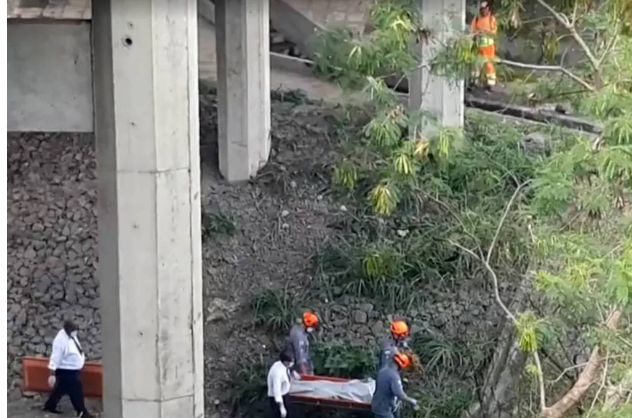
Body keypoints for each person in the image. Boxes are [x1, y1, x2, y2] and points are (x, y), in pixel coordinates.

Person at [43, 320, 93, 417]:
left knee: (61, 388)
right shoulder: (60, 340)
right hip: (66, 370)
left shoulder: (71, 336)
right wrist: (52, 374)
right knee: (76, 389)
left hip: (72, 369)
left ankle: (50, 405)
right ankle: (82, 411)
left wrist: (80, 363)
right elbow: (55, 357)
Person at [372, 353, 418, 418]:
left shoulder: (383, 370)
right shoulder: (394, 376)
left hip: (376, 403)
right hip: (384, 407)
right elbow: (400, 394)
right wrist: (411, 401)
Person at [470, 1, 498, 90]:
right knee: (476, 64)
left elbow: (494, 33)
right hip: (478, 46)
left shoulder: (491, 19)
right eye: (481, 9)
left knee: (489, 64)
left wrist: (486, 32)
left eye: (484, 9)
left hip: (489, 47)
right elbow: (472, 31)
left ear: (488, 9)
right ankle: (474, 81)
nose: (483, 11)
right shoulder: (477, 19)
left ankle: (491, 83)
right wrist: (477, 33)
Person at [267, 350, 300, 418]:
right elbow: (277, 391)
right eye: (291, 362)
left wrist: (292, 372)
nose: (292, 363)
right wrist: (281, 407)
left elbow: (287, 369)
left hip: (285, 394)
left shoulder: (283, 365)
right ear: (285, 362)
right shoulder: (277, 372)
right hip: (277, 398)